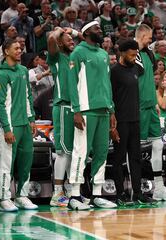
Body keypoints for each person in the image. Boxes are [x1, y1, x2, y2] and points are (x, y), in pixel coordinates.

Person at [67, 20, 117, 210]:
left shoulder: (104, 54)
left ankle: (96, 194)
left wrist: (111, 109)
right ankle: (74, 196)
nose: (100, 31)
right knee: (81, 151)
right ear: (87, 33)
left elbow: (107, 84)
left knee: (102, 153)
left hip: (104, 110)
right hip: (86, 110)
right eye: (96, 28)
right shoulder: (78, 52)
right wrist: (76, 110)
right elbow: (72, 83)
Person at [0, 39, 37, 211]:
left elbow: (28, 96)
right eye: (16, 48)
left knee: (26, 161)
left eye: (21, 48)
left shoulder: (23, 70)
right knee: (6, 162)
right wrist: (6, 128)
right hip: (10, 126)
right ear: (6, 51)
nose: (20, 50)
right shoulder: (1, 75)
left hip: (25, 124)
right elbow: (0, 105)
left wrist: (32, 118)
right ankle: (5, 197)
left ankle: (22, 195)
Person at [110, 40, 151, 205]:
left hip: (135, 119)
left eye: (136, 54)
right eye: (131, 54)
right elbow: (110, 97)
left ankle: (138, 193)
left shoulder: (136, 68)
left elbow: (144, 60)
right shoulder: (114, 72)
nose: (135, 57)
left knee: (136, 158)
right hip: (120, 121)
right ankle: (120, 193)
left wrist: (140, 45)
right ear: (122, 53)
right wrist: (111, 124)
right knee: (118, 158)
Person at [135, 24, 166, 201]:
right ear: (141, 36)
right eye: (149, 37)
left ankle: (159, 187)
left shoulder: (148, 53)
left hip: (151, 105)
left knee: (158, 145)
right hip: (138, 106)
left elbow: (150, 78)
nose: (151, 40)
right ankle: (135, 187)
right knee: (137, 149)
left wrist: (155, 100)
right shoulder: (132, 53)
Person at [47, 27, 76, 207]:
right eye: (68, 39)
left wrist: (71, 32)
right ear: (59, 42)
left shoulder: (74, 58)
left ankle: (71, 190)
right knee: (63, 152)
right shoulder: (56, 57)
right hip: (63, 105)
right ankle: (57, 193)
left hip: (74, 107)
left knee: (71, 152)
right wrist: (59, 30)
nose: (72, 41)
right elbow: (50, 39)